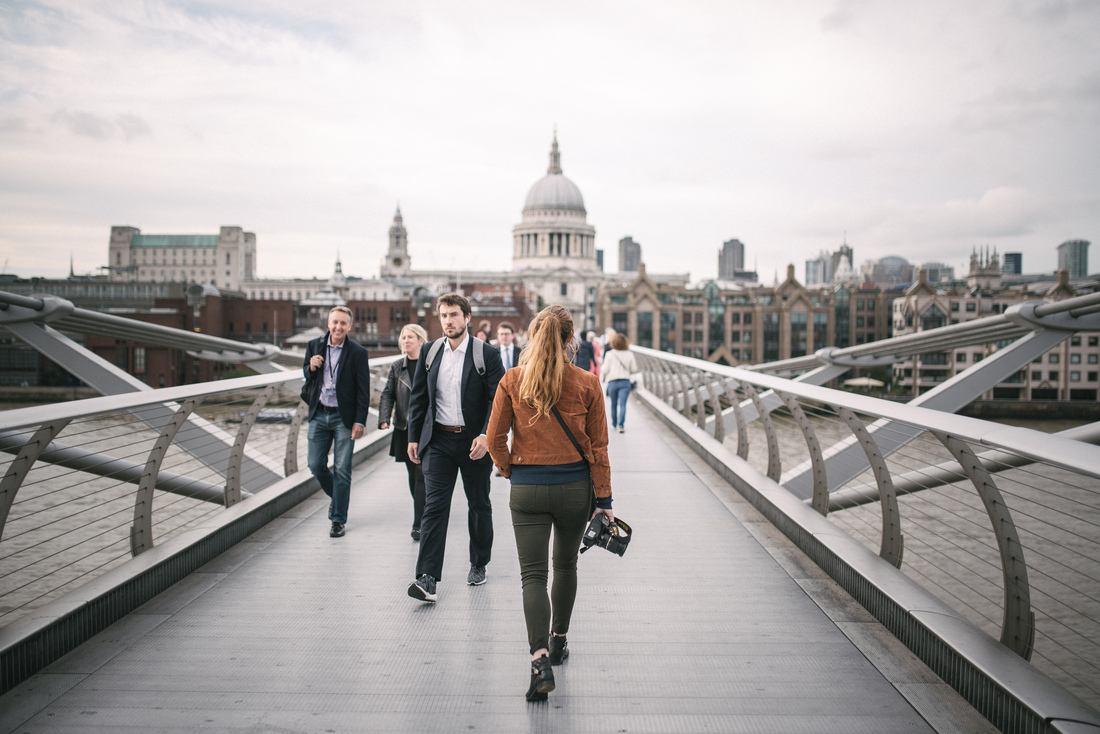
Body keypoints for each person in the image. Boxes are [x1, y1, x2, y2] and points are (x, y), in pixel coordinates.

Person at [487, 304, 613, 702]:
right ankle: (559, 640)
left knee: (533, 576)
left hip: (526, 489)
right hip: (574, 488)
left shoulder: (512, 380)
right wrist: (604, 499)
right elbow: (600, 448)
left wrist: (510, 471)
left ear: (532, 336)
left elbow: (493, 441)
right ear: (570, 339)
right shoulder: (587, 383)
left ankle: (539, 658)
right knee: (566, 565)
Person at [406, 293, 505, 603]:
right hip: (438, 441)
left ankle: (479, 562)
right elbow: (419, 398)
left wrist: (487, 436)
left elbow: (499, 401)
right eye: (443, 315)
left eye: (453, 315)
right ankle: (427, 578)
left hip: (473, 441)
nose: (448, 321)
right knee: (434, 506)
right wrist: (413, 437)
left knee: (478, 504)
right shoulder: (429, 352)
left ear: (467, 318)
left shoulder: (486, 355)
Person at [303, 305, 371, 538]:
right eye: (335, 322)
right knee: (315, 464)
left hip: (344, 417)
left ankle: (338, 520)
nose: (338, 327)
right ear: (328, 323)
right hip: (319, 414)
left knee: (342, 469)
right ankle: (340, 499)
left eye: (343, 323)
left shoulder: (358, 353)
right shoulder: (314, 346)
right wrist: (311, 366)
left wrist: (360, 422)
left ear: (349, 326)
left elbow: (364, 391)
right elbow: (307, 374)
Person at [378, 323, 429, 541]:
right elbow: (388, 393)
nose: (405, 340)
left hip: (427, 428)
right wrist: (384, 418)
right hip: (404, 427)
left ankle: (418, 522)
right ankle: (423, 511)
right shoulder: (398, 366)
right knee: (412, 474)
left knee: (421, 475)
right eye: (403, 337)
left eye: (410, 337)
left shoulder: (430, 364)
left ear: (420, 340)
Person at [600, 332, 638, 434]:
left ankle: (614, 424)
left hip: (612, 382)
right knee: (623, 404)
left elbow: (604, 369)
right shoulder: (629, 354)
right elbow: (634, 369)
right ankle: (621, 425)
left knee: (613, 404)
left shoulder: (609, 354)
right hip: (625, 382)